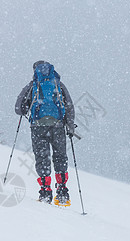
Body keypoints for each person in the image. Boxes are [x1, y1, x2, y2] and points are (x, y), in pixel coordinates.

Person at [15, 61, 75, 206]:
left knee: (42, 159)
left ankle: (45, 192)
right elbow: (69, 106)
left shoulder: (32, 85)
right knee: (60, 157)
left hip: (38, 127)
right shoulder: (59, 85)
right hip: (58, 126)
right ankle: (62, 193)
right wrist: (70, 126)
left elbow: (18, 108)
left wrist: (26, 109)